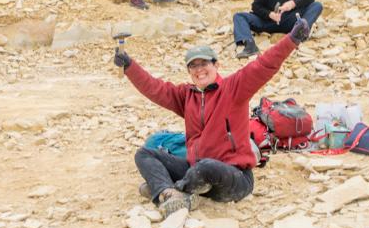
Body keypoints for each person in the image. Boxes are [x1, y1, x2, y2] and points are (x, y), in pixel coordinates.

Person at [115, 17, 312, 216]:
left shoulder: (234, 88)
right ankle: (169, 193)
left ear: (216, 65)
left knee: (206, 167)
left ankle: (171, 187)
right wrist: (130, 67)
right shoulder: (186, 96)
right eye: (193, 66)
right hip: (196, 170)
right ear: (189, 71)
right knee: (145, 154)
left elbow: (263, 66)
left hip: (233, 176)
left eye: (204, 63)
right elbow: (155, 88)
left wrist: (291, 40)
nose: (199, 69)